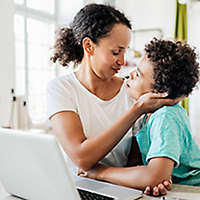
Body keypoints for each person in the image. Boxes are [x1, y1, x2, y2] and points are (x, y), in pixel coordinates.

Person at [47, 4, 178, 195]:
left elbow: (135, 158)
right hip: (73, 188)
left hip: (116, 189)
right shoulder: (61, 89)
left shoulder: (132, 91)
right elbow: (81, 158)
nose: (123, 61)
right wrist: (136, 111)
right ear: (89, 46)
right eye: (116, 52)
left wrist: (149, 181)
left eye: (125, 51)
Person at [78, 38, 200, 192]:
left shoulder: (165, 116)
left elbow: (155, 177)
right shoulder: (148, 115)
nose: (130, 74)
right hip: (175, 190)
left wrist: (99, 172)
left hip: (192, 192)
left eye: (139, 74)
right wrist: (150, 178)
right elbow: (151, 174)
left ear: (160, 92)